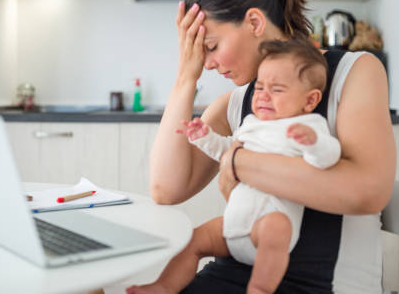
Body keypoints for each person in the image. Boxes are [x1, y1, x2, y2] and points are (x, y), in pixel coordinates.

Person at [145, 0, 396, 293]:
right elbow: (166, 189)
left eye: (211, 47)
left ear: (254, 22)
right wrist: (185, 78)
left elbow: (368, 192)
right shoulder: (234, 103)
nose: (207, 63)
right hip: (232, 274)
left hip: (319, 285)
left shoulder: (354, 72)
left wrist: (237, 162)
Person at [126, 39, 342, 294]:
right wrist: (204, 137)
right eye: (260, 86)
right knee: (194, 238)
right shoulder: (251, 123)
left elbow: (329, 157)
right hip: (234, 223)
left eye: (277, 89)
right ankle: (163, 286)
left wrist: (313, 143)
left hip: (267, 227)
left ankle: (259, 289)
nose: (262, 95)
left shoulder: (309, 126)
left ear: (309, 100)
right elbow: (227, 152)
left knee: (278, 227)